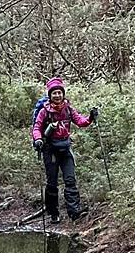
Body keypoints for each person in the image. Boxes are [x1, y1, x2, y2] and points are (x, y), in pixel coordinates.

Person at [32, 77, 98, 223]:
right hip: (50, 150)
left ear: (63, 94)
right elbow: (36, 127)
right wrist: (37, 139)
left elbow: (81, 121)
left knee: (70, 180)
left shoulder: (68, 109)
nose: (57, 95)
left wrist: (91, 118)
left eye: (59, 93)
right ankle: (53, 214)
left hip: (65, 148)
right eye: (54, 93)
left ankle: (74, 213)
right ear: (50, 95)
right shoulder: (44, 111)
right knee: (52, 183)